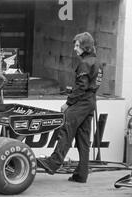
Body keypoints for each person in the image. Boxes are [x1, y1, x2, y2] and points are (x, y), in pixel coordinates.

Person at [37, 32, 102, 183]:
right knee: (84, 139)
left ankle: (53, 163)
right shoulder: (96, 62)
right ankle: (81, 174)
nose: (74, 48)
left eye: (77, 45)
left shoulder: (85, 63)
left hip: (82, 101)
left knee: (66, 130)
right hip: (91, 101)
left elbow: (81, 87)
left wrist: (68, 103)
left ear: (85, 46)